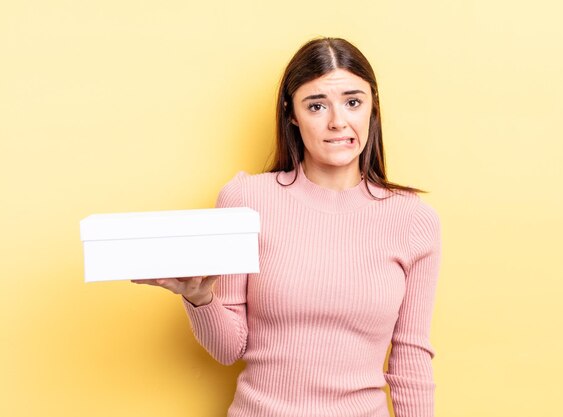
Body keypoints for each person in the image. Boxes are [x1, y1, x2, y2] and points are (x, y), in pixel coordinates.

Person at [134, 37, 441, 417]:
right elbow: (229, 349)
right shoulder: (244, 201)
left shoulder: (413, 219)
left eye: (353, 102)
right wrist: (200, 299)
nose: (338, 121)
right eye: (316, 105)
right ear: (292, 114)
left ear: (372, 108)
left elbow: (411, 356)